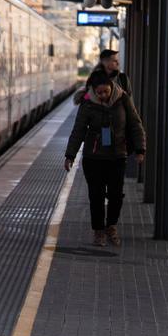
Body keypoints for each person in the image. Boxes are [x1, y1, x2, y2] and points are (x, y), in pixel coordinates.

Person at [64, 75, 146, 247]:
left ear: (112, 88)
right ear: (93, 91)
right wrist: (70, 155)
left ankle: (112, 226)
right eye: (98, 92)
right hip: (93, 157)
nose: (102, 96)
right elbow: (78, 129)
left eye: (105, 92)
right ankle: (98, 231)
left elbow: (135, 124)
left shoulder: (123, 99)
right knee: (96, 196)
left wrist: (140, 149)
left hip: (117, 156)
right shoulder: (87, 103)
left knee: (116, 195)